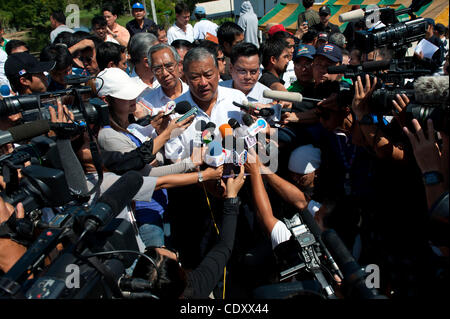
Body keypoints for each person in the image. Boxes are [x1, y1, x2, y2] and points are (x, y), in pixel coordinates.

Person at [131, 166, 245, 299]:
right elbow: (224, 246)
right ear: (181, 277)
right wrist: (231, 198)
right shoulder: (195, 287)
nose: (162, 246)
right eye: (176, 258)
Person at [164, 47, 246, 162]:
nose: (203, 83)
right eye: (195, 77)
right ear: (186, 79)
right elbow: (174, 159)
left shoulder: (237, 99)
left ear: (218, 73)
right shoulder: (175, 112)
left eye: (208, 75)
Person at [137, 43, 189, 118]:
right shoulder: (146, 104)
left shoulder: (194, 94)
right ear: (152, 71)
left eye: (169, 66)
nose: (165, 73)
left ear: (179, 65)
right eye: (158, 69)